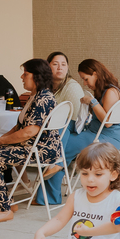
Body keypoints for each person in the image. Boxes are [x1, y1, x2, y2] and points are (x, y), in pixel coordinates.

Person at [0, 58, 63, 223]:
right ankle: (5, 203)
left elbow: (29, 131)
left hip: (41, 149)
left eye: (25, 74)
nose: (22, 77)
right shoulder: (35, 96)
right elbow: (19, 126)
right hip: (32, 146)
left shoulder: (43, 98)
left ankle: (4, 210)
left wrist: (0, 142)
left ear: (36, 76)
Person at [42, 59, 120, 205]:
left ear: (95, 74)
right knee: (64, 129)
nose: (85, 83)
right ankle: (57, 165)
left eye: (86, 79)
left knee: (60, 146)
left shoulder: (111, 92)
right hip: (97, 134)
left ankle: (50, 190)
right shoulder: (107, 90)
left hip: (103, 138)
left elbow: (107, 122)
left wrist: (92, 102)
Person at [36, 51, 86, 206]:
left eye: (63, 64)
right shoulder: (45, 86)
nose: (60, 68)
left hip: (70, 127)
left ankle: (47, 197)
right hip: (50, 127)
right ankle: (45, 195)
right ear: (48, 65)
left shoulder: (71, 86)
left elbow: (75, 116)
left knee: (57, 146)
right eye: (55, 64)